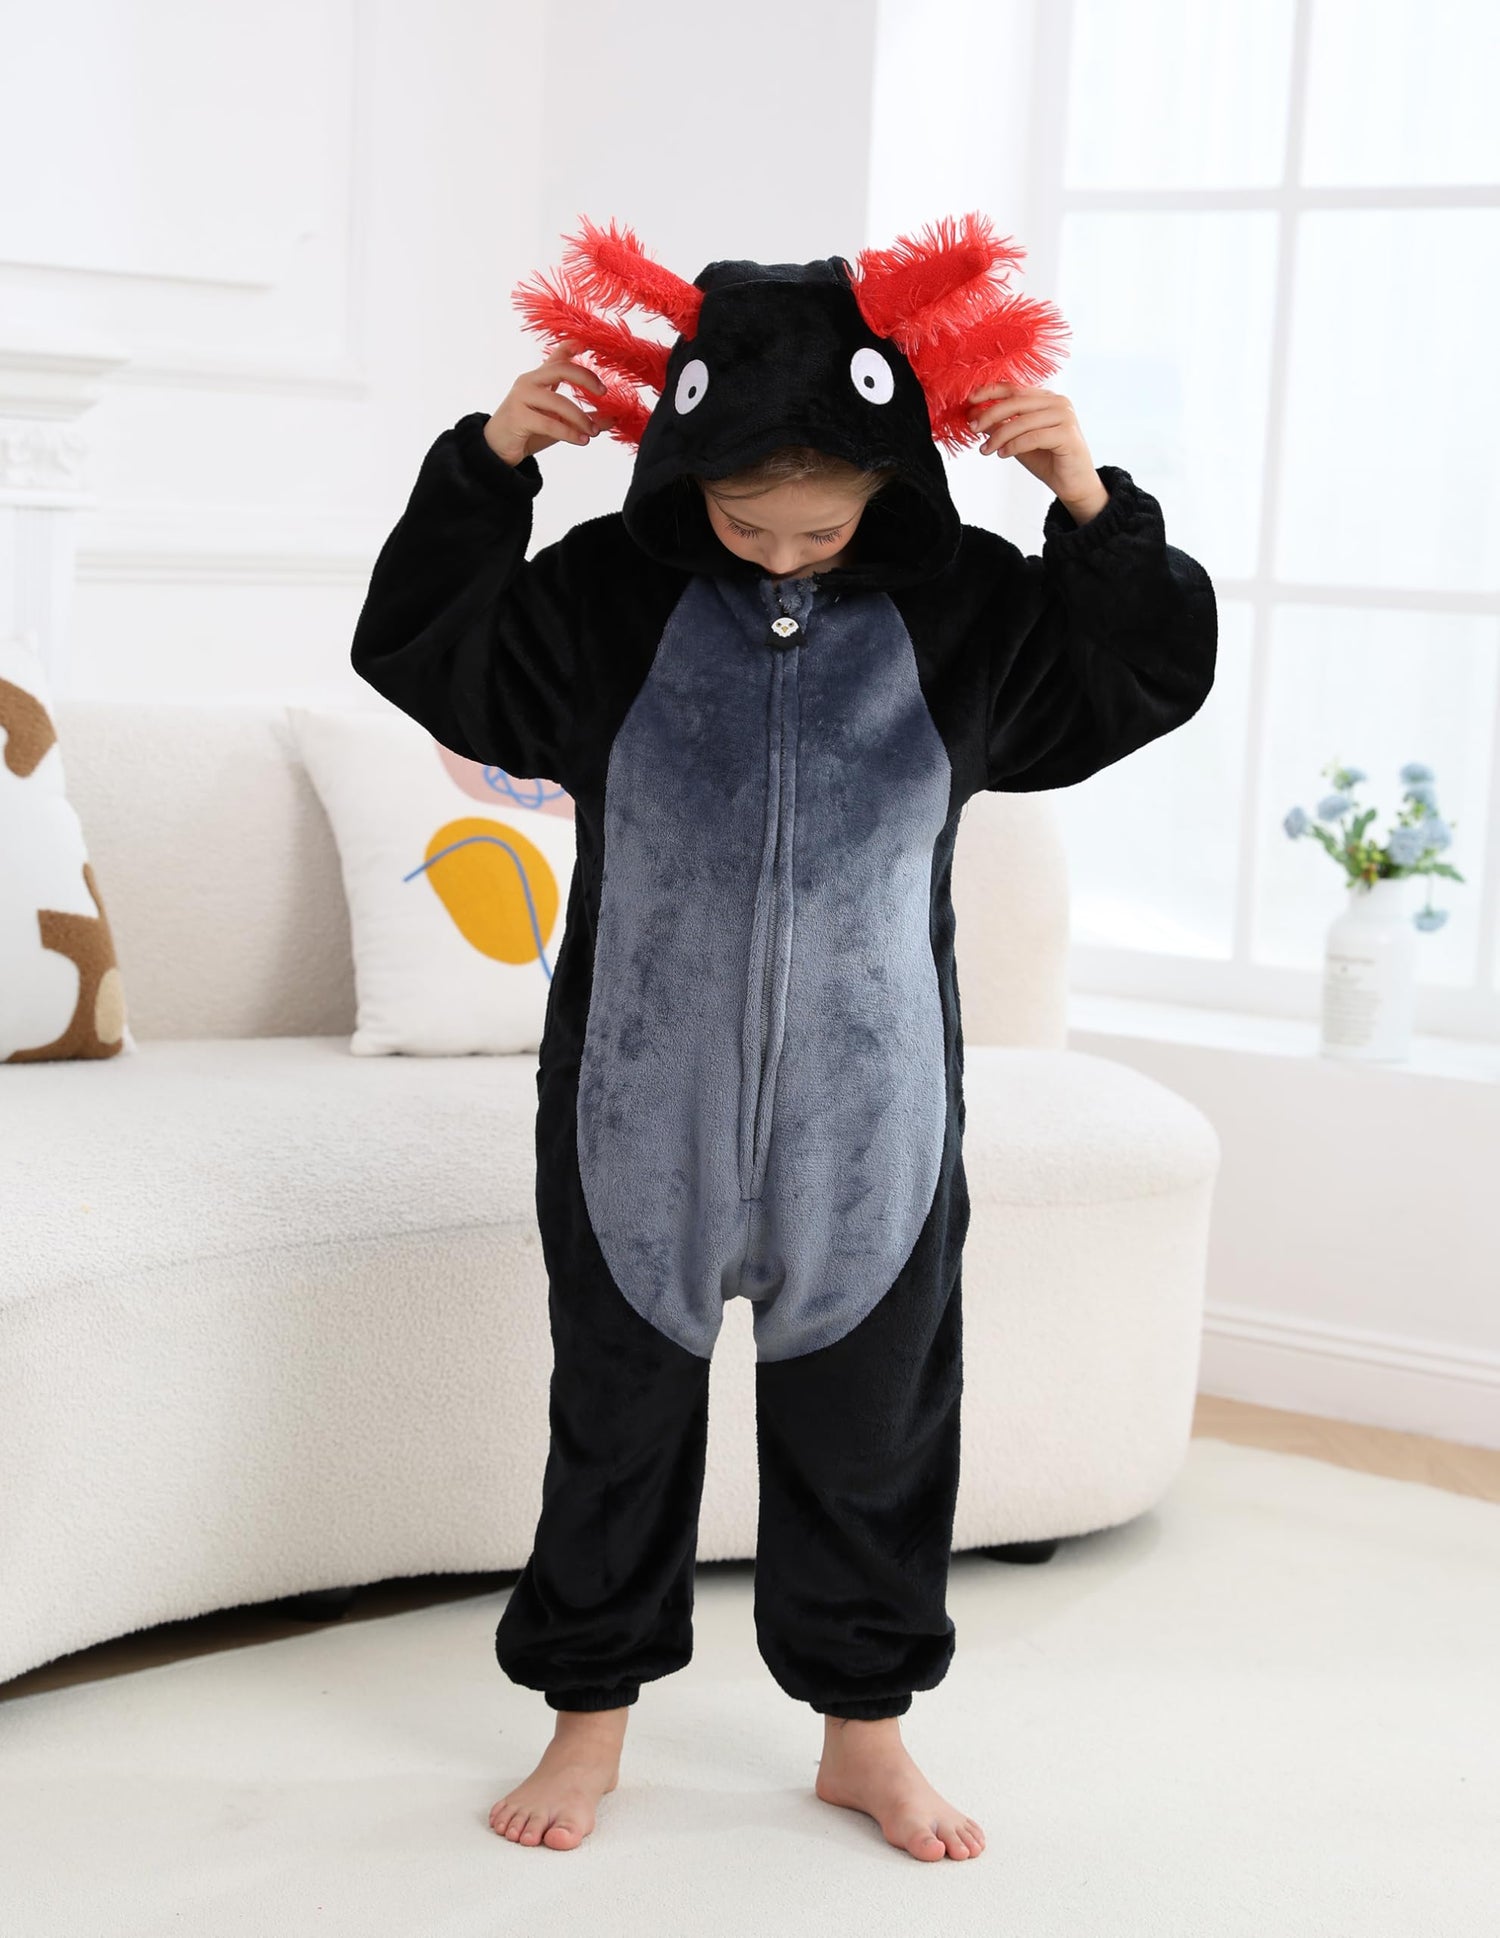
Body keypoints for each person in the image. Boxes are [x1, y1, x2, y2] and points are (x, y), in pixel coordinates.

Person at [349, 216, 1218, 1863]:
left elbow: (1144, 673)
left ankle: (864, 1738)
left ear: (893, 480)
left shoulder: (966, 610)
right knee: (616, 1419)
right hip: (636, 1110)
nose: (781, 552)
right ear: (684, 470)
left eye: (824, 525)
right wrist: (489, 466)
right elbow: (423, 644)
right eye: (743, 520)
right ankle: (587, 1722)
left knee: (875, 1427)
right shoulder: (609, 599)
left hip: (870, 1118)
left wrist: (1090, 503)